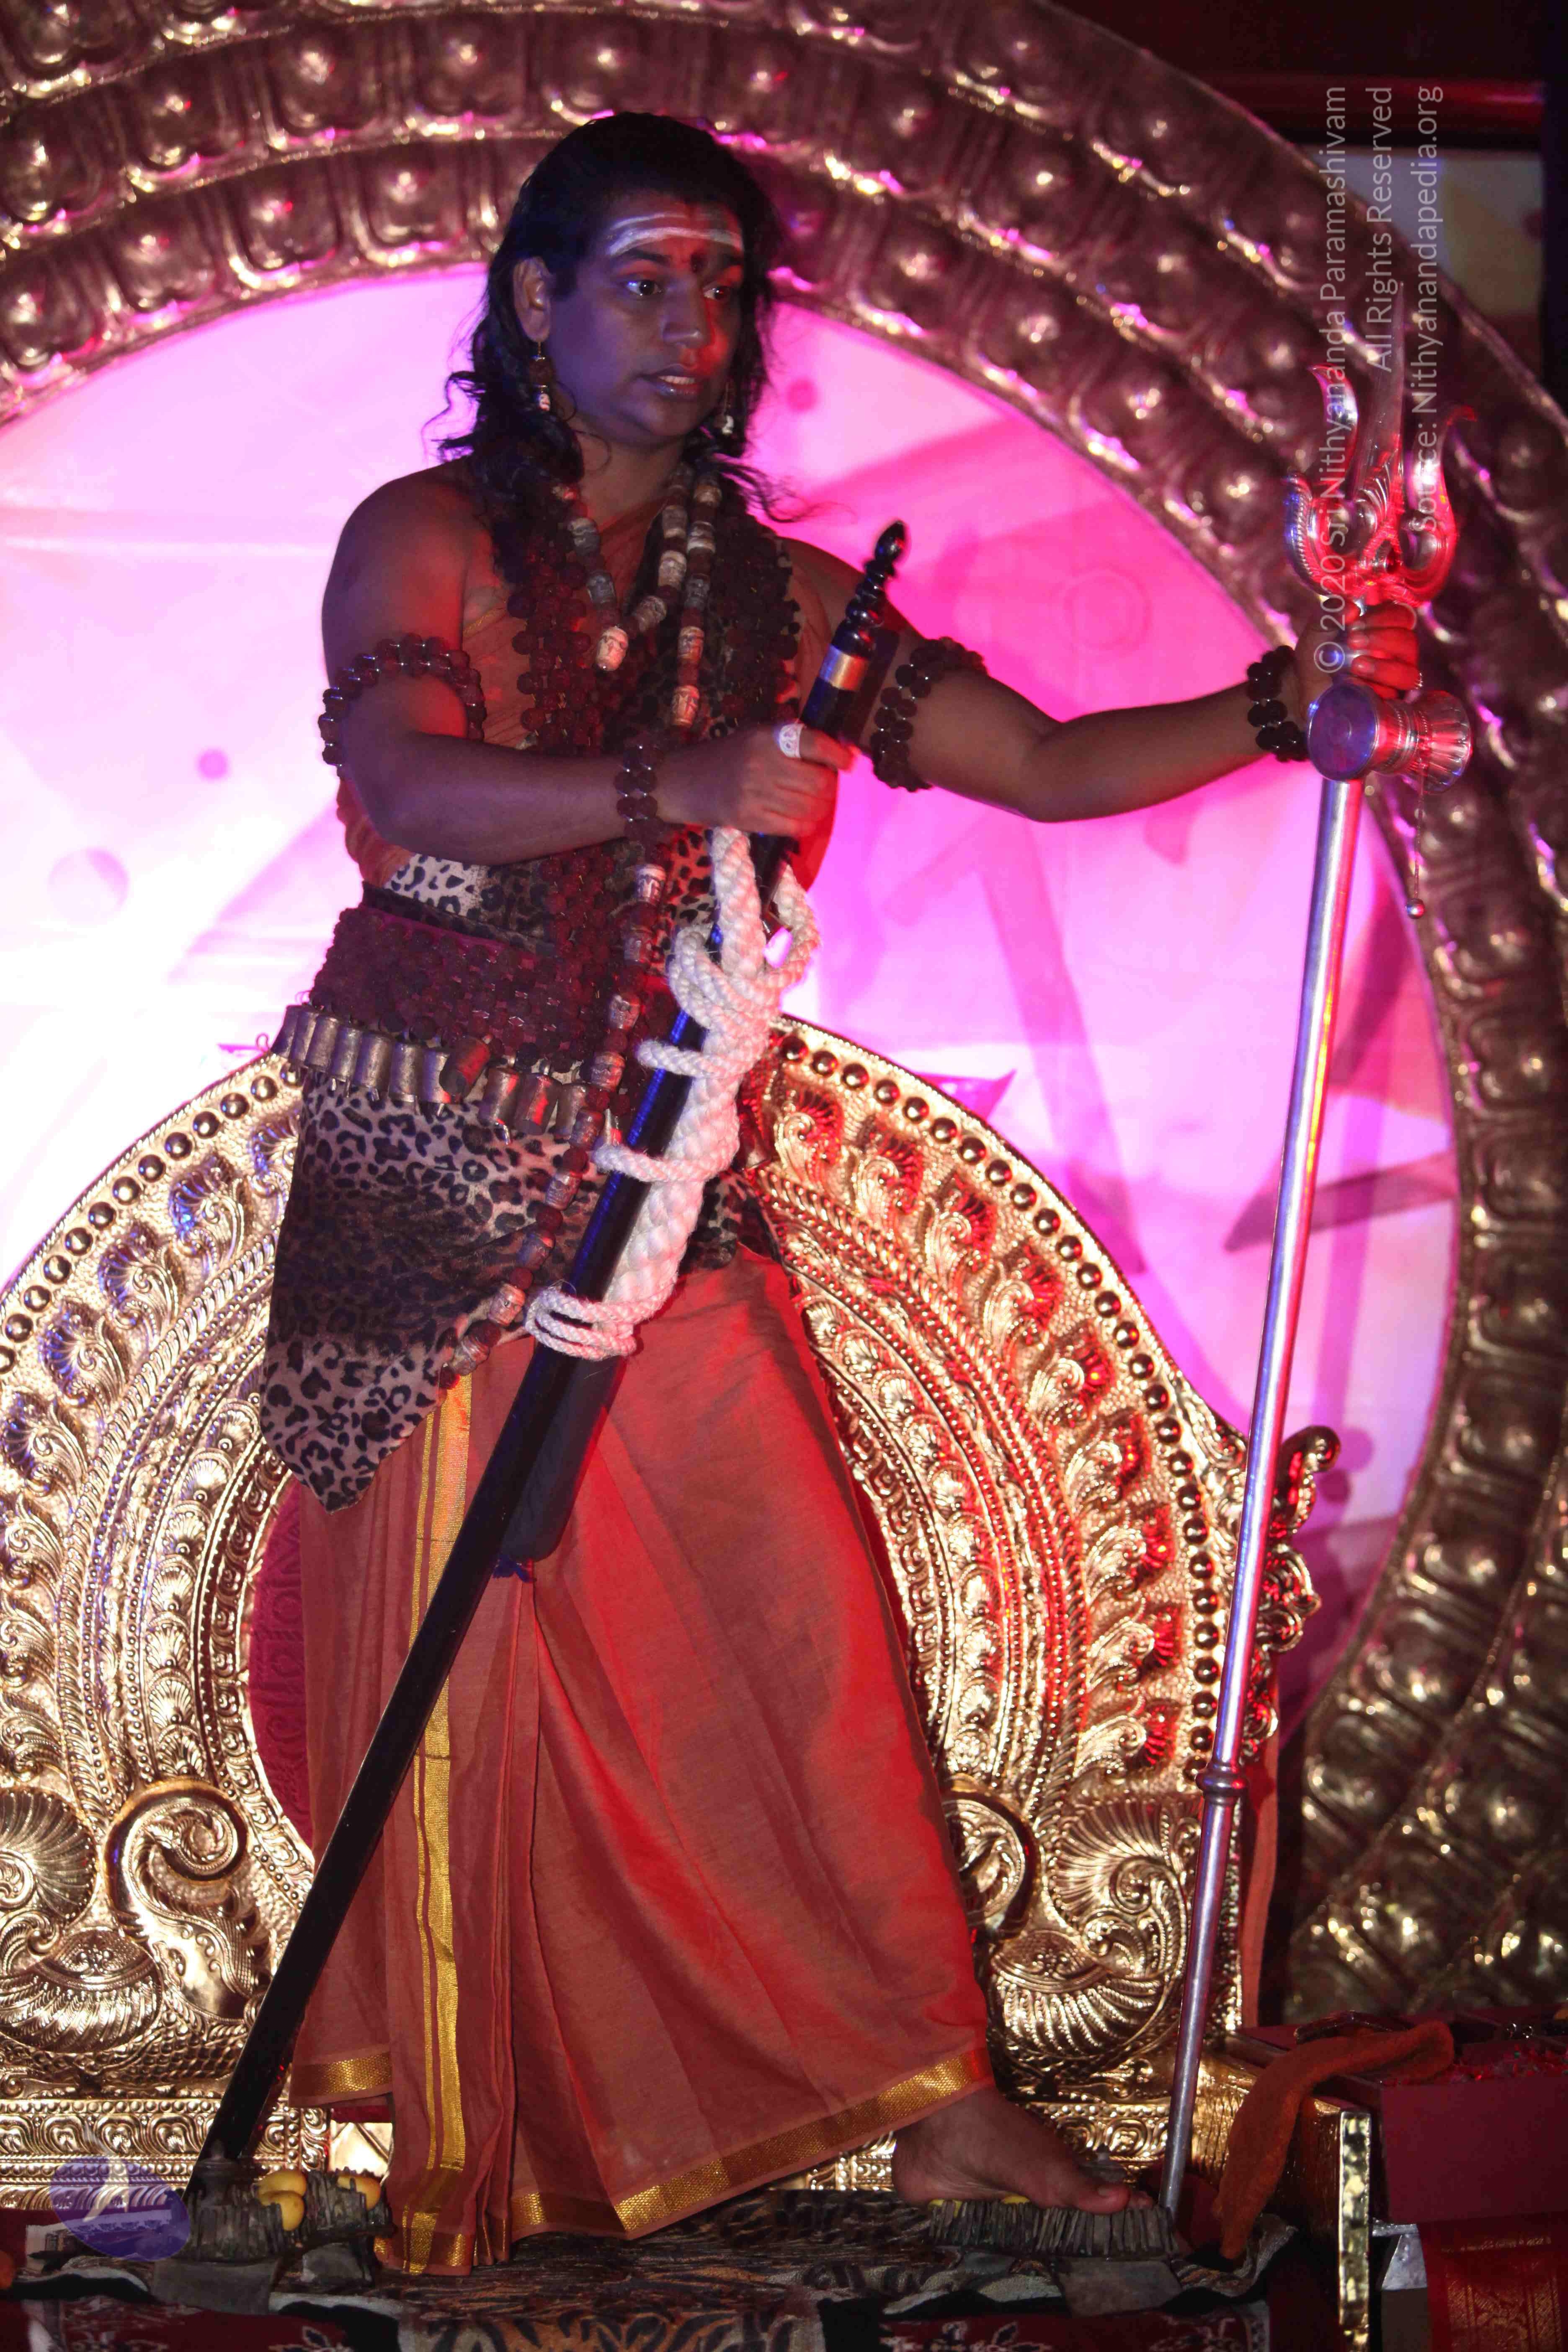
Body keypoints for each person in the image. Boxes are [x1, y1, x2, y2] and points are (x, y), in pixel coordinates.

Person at [260, 111, 1416, 2275]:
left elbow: (1046, 764)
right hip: (433, 1188)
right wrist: (677, 780)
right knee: (461, 1677)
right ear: (534, 302)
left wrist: (1285, 705)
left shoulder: (789, 606)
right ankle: (442, 2144)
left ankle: (938, 2106)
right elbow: (407, 785)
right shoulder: (420, 539)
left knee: (802, 1639)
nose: (690, 324)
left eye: (722, 286)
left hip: (667, 1177)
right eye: (643, 277)